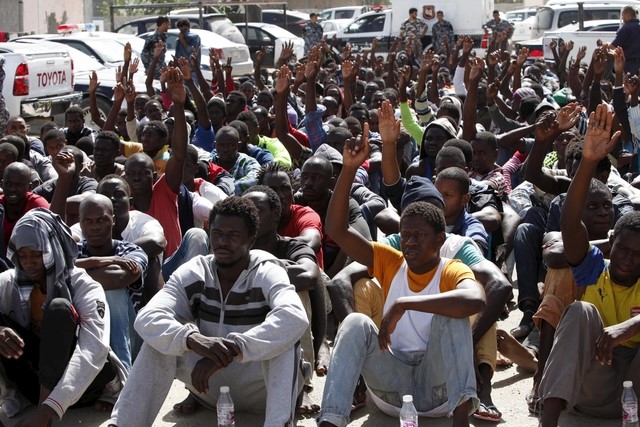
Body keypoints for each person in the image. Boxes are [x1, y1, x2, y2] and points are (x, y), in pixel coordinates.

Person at [317, 124, 485, 427]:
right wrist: (349, 169)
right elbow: (336, 230)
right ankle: (330, 421)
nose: (409, 243)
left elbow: (475, 299)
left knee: (454, 315)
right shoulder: (389, 260)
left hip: (438, 392)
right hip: (391, 391)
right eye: (406, 235)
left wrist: (406, 303)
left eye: (419, 236)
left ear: (439, 240)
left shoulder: (452, 268)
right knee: (356, 321)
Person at [107, 197, 309, 426]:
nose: (222, 242)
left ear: (251, 240)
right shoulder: (196, 271)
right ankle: (124, 423)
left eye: (233, 236)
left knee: (286, 341)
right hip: (210, 388)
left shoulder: (266, 270)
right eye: (216, 234)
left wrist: (234, 348)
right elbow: (147, 318)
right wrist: (192, 339)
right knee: (157, 339)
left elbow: (294, 316)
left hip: (261, 389)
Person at [539, 105, 640, 426]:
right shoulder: (596, 268)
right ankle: (548, 420)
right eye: (622, 250)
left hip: (633, 390)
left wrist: (631, 327)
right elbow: (570, 224)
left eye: (638, 256)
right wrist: (587, 162)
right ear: (612, 245)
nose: (627, 260)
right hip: (593, 385)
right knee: (580, 312)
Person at [0, 208, 122, 422]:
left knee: (59, 309)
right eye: (22, 255)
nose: (28, 263)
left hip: (82, 388)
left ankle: (46, 407)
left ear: (52, 249)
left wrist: (46, 411)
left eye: (36, 255)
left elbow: (93, 349)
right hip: (34, 382)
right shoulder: (10, 282)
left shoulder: (83, 286)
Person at [76, 194, 148, 372]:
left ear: (113, 220)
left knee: (112, 292)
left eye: (102, 219)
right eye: (88, 221)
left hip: (129, 336)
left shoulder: (131, 250)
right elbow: (58, 271)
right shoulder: (73, 251)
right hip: (87, 329)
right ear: (80, 223)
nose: (95, 227)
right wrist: (99, 261)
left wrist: (77, 270)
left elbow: (117, 279)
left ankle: (123, 374)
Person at [611, 6, 640, 74]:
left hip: (629, 64)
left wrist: (606, 45)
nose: (622, 18)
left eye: (623, 16)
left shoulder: (626, 28)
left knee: (628, 83)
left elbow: (614, 46)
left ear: (627, 15)